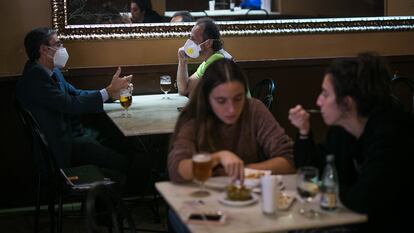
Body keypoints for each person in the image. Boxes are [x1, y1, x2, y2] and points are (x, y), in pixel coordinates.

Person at [288, 52, 413, 233]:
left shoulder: (391, 136)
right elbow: (311, 170)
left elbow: (364, 199)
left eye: (325, 94)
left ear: (346, 103)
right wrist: (304, 132)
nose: (318, 101)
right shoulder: (342, 130)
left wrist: (325, 188)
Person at [16, 27, 132, 182]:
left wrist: (110, 94)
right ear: (44, 50)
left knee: (122, 142)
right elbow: (70, 104)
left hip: (75, 135)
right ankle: (110, 202)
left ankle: (108, 201)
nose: (62, 48)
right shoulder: (34, 79)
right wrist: (107, 91)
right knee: (123, 161)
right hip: (63, 146)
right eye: (58, 44)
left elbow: (76, 94)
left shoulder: (51, 71)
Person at [168, 59, 295, 184]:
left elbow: (288, 160)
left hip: (248, 196)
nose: (231, 110)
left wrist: (242, 171)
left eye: (238, 98)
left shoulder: (253, 109)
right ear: (207, 98)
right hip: (200, 197)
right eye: (221, 101)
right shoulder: (195, 115)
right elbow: (177, 170)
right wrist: (218, 157)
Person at [176, 17, 232, 96]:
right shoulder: (208, 61)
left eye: (193, 39)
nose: (189, 43)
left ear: (208, 43)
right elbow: (184, 90)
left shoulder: (217, 61)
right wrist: (182, 61)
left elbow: (196, 95)